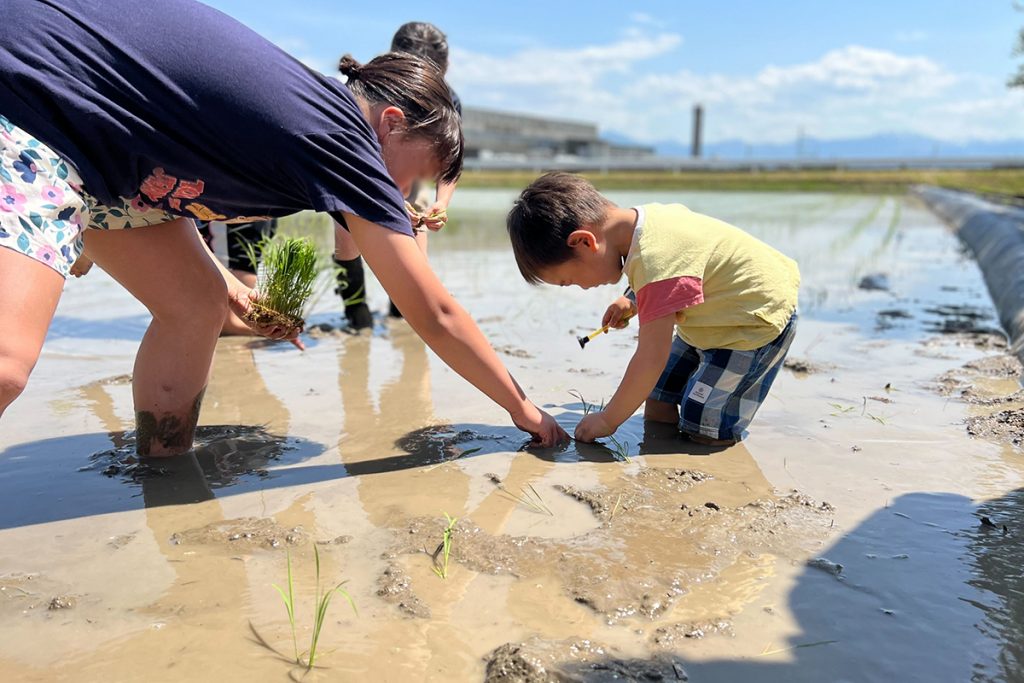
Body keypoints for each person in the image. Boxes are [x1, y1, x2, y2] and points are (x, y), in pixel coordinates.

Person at [0, 0, 566, 456]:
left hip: (104, 149)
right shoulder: (343, 138)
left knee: (197, 303)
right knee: (7, 365)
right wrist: (522, 408)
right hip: (32, 92)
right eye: (413, 174)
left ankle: (164, 470)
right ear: (391, 124)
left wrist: (240, 296)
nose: (401, 196)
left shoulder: (315, 123)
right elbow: (435, 314)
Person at [506, 173, 800, 446]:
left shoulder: (655, 260)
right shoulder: (642, 227)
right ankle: (664, 451)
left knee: (704, 424)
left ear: (584, 242)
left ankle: (713, 457)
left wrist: (608, 419)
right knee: (657, 398)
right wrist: (632, 299)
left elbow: (650, 358)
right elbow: (681, 266)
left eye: (569, 281)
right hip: (711, 318)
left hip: (751, 322)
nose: (580, 288)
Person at [335, 21, 461, 328]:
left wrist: (441, 203)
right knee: (347, 235)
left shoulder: (448, 100)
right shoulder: (374, 87)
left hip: (412, 175)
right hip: (364, 169)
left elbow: (450, 160)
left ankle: (402, 313)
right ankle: (356, 311)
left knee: (415, 243)